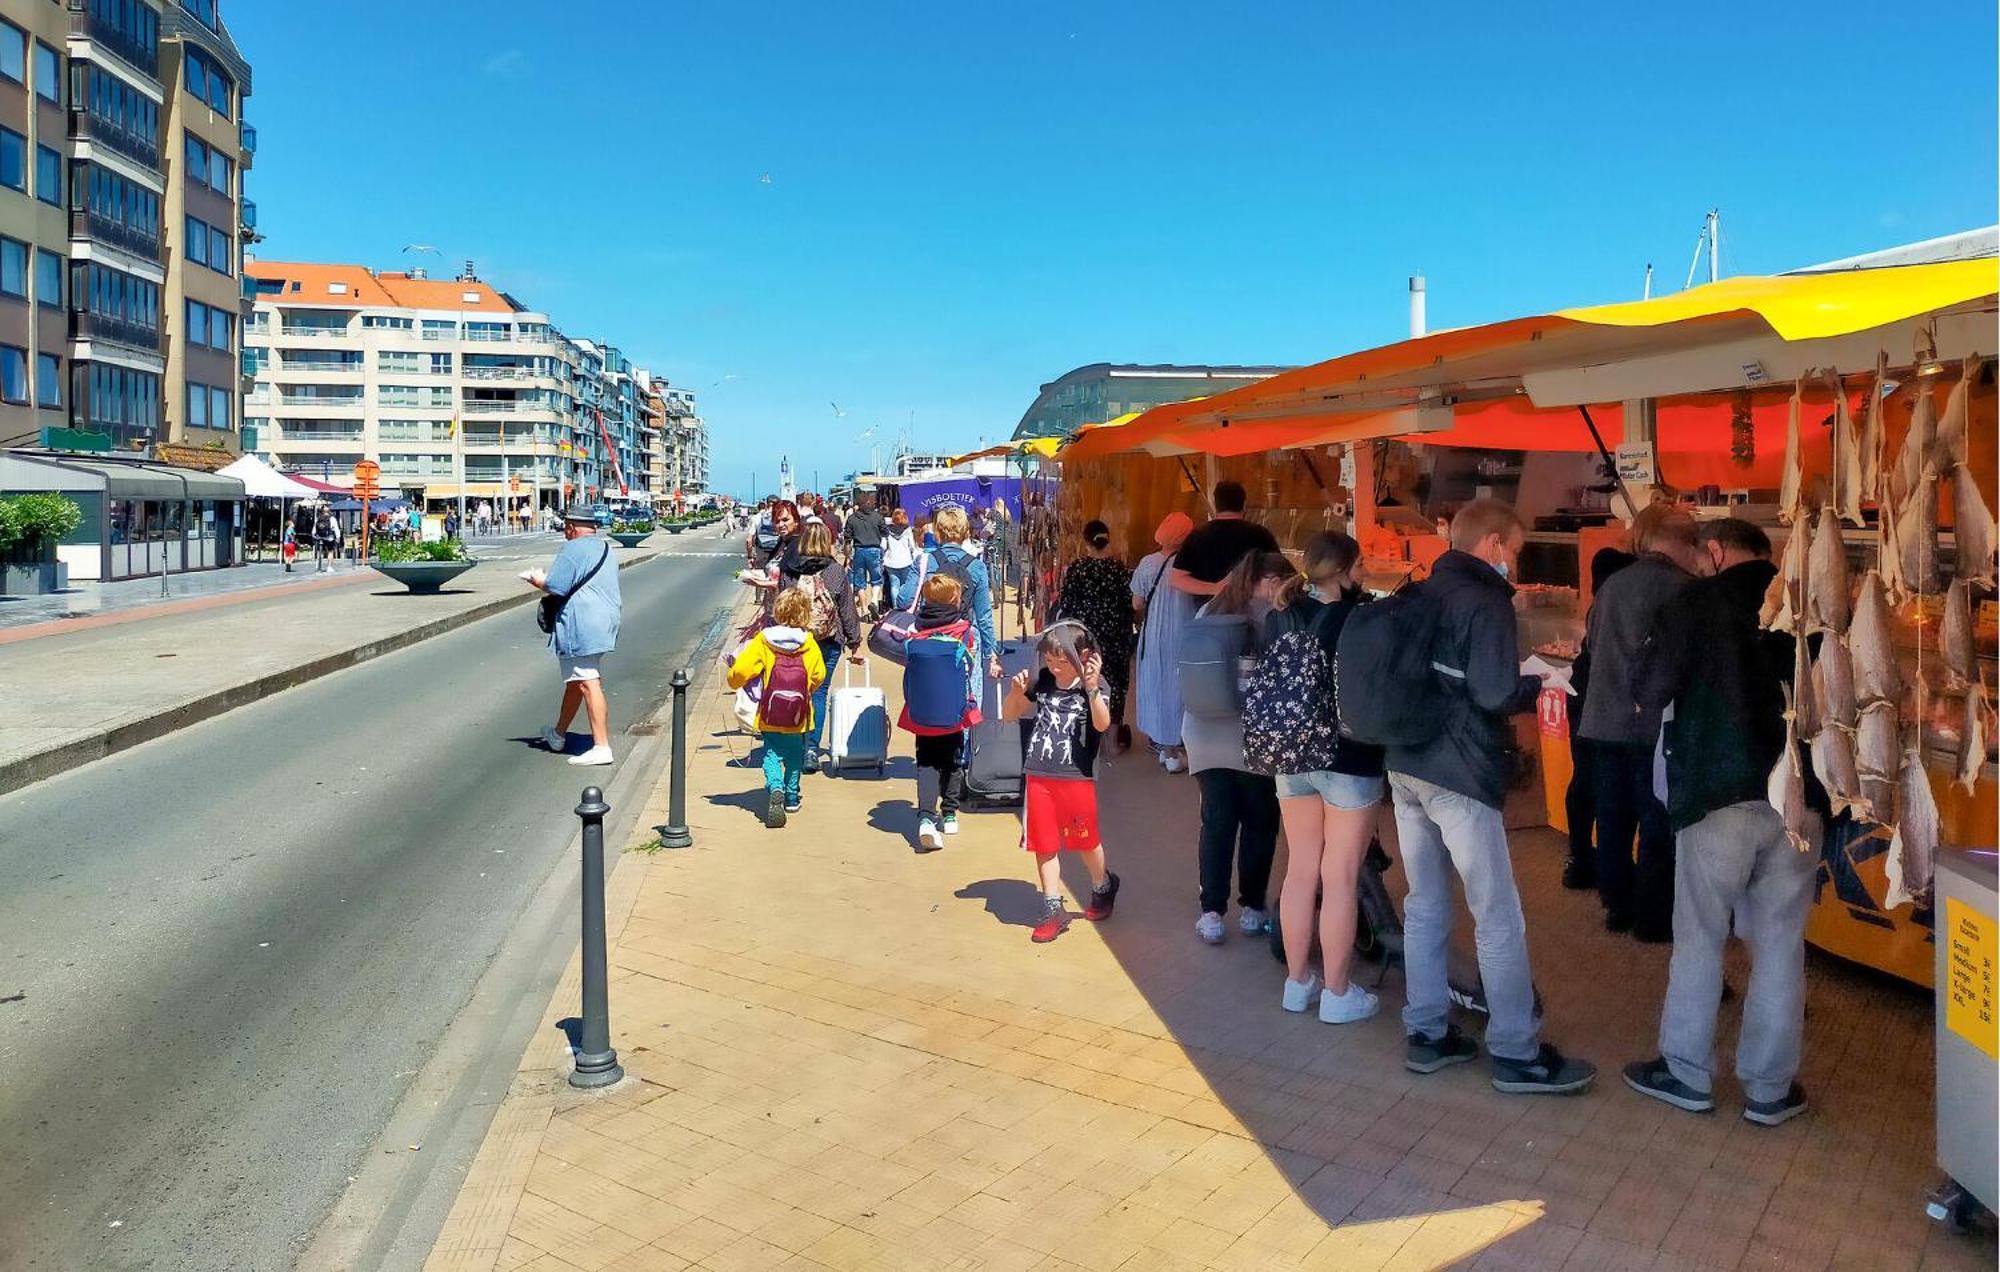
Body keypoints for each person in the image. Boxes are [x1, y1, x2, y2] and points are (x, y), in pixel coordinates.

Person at [1383, 499, 1595, 1094]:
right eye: (1516, 548)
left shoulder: (1420, 590)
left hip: (1406, 765)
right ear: (1494, 545)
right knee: (1496, 913)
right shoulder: (1487, 603)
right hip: (1460, 771)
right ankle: (1515, 1051)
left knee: (1425, 904)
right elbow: (1495, 690)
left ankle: (1425, 1033)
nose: (1516, 561)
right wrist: (1543, 681)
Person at [1625, 518, 1821, 1126]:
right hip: (1801, 794)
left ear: (1714, 552)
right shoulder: (1811, 604)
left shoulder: (1695, 603)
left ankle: (1686, 1072)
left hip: (1717, 792)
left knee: (1702, 936)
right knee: (1782, 943)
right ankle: (1769, 1090)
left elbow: (1650, 688)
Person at [1269, 532, 1386, 1023]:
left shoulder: (1282, 612)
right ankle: (1338, 994)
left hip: (1290, 754)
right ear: (1345, 569)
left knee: (1300, 869)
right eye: (1360, 566)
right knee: (1338, 877)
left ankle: (1298, 984)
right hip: (1346, 756)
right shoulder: (1358, 618)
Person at [1579, 506, 1698, 941]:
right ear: (1679, 543)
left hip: (1603, 718)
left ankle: (1616, 902)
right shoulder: (1683, 590)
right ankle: (1652, 915)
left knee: (1611, 814)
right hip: (1653, 723)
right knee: (1656, 817)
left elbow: (1591, 642)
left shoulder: (1613, 585)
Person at [1185, 551, 1292, 945]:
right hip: (1253, 738)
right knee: (1260, 823)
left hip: (1203, 733)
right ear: (1268, 581)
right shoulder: (1271, 618)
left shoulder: (1209, 610)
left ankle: (1211, 913)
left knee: (1216, 823)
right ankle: (1252, 908)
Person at [1002, 622, 1120, 944]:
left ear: (1083, 656)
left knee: (1085, 840)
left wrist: (1093, 687)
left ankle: (1102, 885)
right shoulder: (1041, 681)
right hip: (1039, 773)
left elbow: (1102, 723)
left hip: (1076, 777)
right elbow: (1009, 715)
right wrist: (1015, 693)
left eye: (1062, 661)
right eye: (1050, 660)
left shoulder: (1093, 685)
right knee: (1044, 843)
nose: (1054, 667)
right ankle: (1053, 907)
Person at [1560, 541, 1639, 890]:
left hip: (1581, 698)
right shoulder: (1619, 607)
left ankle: (1580, 857)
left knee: (1584, 783)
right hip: (1606, 706)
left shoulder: (1598, 607)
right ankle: (1611, 870)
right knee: (1612, 792)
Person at [726, 587, 828, 828]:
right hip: (799, 714)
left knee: (771, 753)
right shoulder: (809, 643)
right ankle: (791, 797)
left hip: (771, 712)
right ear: (805, 614)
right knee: (794, 756)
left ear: (778, 610)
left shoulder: (764, 640)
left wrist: (733, 680)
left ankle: (775, 786)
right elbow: (819, 675)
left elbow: (742, 670)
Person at [530, 508, 623, 767]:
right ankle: (558, 734)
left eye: (565, 527)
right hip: (606, 619)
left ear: (571, 527)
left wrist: (536, 580)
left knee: (587, 682)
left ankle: (601, 746)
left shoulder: (573, 549)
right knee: (577, 679)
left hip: (581, 622)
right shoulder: (605, 548)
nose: (564, 532)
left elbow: (557, 585)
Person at [896, 573, 981, 850]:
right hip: (954, 710)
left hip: (922, 710)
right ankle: (950, 812)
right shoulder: (964, 630)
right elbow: (970, 667)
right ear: (954, 599)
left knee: (927, 761)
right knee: (953, 758)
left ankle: (925, 817)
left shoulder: (914, 630)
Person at [780, 520, 863, 770]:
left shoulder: (790, 568)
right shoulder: (835, 571)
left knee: (794, 692)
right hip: (828, 640)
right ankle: (812, 750)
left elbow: (780, 605)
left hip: (796, 641)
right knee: (819, 692)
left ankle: (794, 744)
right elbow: (846, 609)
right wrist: (854, 640)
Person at [1053, 520, 1135, 751]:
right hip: (1116, 635)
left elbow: (1066, 605)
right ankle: (1113, 737)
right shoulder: (1120, 570)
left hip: (1086, 637)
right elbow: (1129, 605)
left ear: (1086, 542)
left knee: (1086, 681)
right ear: (1108, 540)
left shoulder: (1077, 569)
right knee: (1117, 684)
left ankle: (1088, 735)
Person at [1131, 512, 1196, 772]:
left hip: (1155, 634)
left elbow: (1136, 602)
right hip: (1184, 632)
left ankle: (1163, 746)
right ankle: (1172, 752)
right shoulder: (1192, 564)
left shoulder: (1147, 563)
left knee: (1156, 688)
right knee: (1180, 691)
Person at [1169, 481, 1281, 601]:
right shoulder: (1260, 535)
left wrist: (1214, 589)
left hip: (1209, 614)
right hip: (1251, 611)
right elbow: (1279, 572)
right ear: (1244, 504)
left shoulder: (1197, 536)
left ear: (1215, 504)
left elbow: (1177, 579)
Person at [929, 505, 1001, 678]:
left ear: (937, 531)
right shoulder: (976, 567)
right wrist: (991, 653)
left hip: (930, 636)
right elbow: (983, 614)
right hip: (966, 637)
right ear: (965, 532)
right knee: (970, 698)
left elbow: (904, 599)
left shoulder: (925, 562)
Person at [845, 493, 887, 618]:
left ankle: (864, 610)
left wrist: (848, 557)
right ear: (869, 502)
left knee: (859, 582)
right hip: (874, 549)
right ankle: (874, 600)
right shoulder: (877, 517)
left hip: (859, 550)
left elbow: (847, 540)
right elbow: (885, 532)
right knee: (876, 579)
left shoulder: (852, 518)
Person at [881, 507, 920, 610]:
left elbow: (883, 546)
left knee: (894, 585)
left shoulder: (887, 530)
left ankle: (895, 608)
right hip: (906, 561)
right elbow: (912, 546)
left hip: (890, 561)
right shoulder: (907, 530)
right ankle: (905, 607)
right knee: (904, 585)